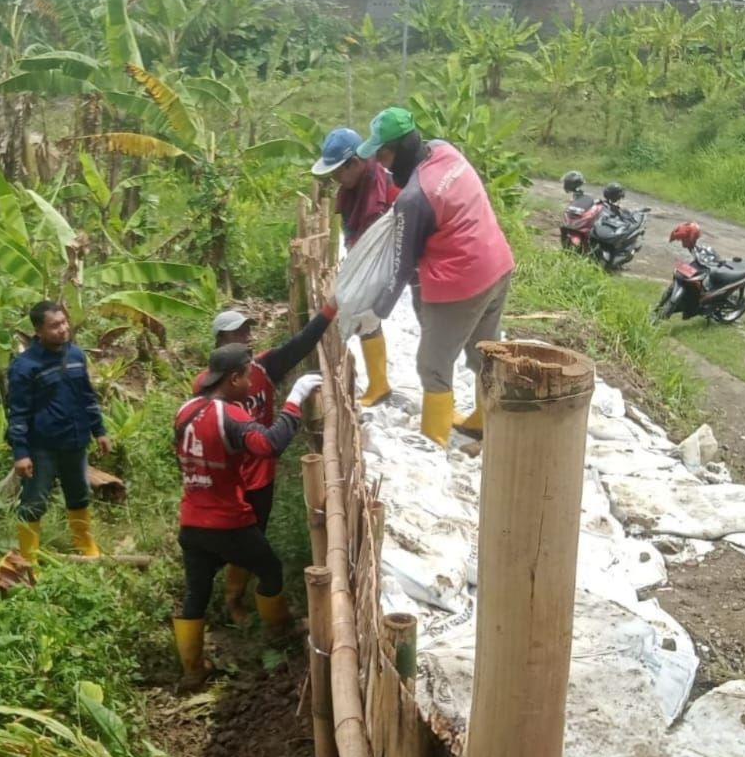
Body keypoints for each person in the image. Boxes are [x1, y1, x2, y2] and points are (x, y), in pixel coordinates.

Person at [356, 106, 515, 446]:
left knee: (433, 363)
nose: (381, 164)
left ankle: (434, 439)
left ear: (400, 149)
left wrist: (377, 310)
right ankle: (485, 421)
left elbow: (401, 265)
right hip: (497, 264)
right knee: (484, 350)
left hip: (463, 282)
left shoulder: (414, 198)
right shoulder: (445, 150)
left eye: (383, 154)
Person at [173, 345, 322, 688]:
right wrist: (295, 401)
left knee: (196, 591)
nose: (252, 383)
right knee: (269, 569)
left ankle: (193, 670)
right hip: (228, 520)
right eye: (249, 376)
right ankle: (279, 629)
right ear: (234, 377)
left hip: (192, 519)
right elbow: (269, 445)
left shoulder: (185, 410)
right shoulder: (230, 416)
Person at [197, 296, 337, 621]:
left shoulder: (261, 368)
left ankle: (235, 597)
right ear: (220, 340)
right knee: (237, 540)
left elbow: (301, 344)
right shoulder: (206, 387)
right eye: (237, 334)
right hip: (230, 480)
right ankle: (232, 604)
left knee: (254, 535)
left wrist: (331, 308)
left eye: (247, 332)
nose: (246, 338)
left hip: (262, 475)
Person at [6, 300, 110, 564]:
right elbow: (17, 412)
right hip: (42, 447)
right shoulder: (25, 366)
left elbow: (87, 396)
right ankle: (29, 558)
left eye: (64, 322)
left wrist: (99, 430)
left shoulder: (75, 355)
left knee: (79, 494)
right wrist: (21, 453)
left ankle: (84, 544)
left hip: (75, 441)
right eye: (54, 326)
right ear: (38, 331)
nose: (63, 329)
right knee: (34, 501)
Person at [312, 126, 400, 406]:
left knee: (364, 312)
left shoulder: (382, 185)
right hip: (367, 256)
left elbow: (382, 231)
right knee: (365, 314)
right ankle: (379, 382)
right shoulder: (355, 187)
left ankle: (379, 384)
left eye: (340, 170)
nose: (336, 177)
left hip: (386, 258)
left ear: (356, 163)